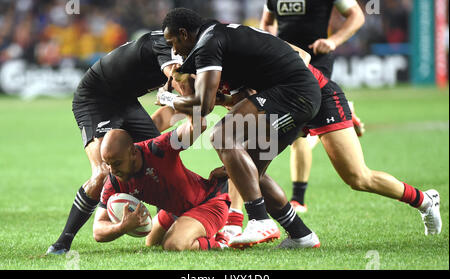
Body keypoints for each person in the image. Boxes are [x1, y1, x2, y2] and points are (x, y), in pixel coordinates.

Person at [220, 60, 442, 241]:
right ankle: (245, 227)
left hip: (318, 97)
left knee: (358, 178)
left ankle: (425, 200)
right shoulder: (221, 57)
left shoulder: (239, 46)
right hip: (288, 104)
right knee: (245, 160)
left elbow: (301, 54)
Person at [159, 8, 323, 249]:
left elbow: (203, 107)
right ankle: (302, 235)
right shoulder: (219, 36)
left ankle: (259, 220)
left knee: (222, 136)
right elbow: (242, 97)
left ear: (183, 34)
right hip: (298, 95)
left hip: (292, 94)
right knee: (251, 174)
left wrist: (167, 98)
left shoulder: (207, 44)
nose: (174, 51)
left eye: (172, 42)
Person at [46, 31, 184, 255]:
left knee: (158, 159)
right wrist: (191, 104)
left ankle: (170, 225)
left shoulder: (182, 51)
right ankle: (62, 243)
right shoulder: (165, 46)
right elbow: (181, 91)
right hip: (95, 98)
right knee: (102, 172)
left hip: (124, 100)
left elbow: (172, 104)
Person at [260, 0, 366, 213]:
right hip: (285, 65)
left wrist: (333, 41)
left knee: (299, 133)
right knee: (298, 131)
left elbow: (357, 16)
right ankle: (340, 112)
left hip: (316, 62)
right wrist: (275, 45)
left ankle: (298, 200)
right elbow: (267, 23)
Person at [93, 118, 231, 251]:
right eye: (107, 164)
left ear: (133, 152)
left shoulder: (158, 148)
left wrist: (190, 105)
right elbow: (98, 231)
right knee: (151, 241)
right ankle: (196, 229)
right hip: (177, 209)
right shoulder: (115, 179)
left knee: (174, 244)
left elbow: (198, 125)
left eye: (117, 163)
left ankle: (222, 242)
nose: (112, 170)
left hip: (209, 202)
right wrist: (122, 226)